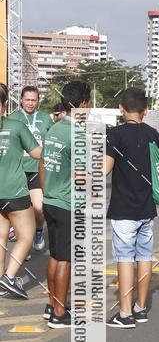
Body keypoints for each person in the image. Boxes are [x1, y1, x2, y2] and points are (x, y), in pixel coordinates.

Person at [104, 88, 159, 328]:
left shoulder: (115, 135)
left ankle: (125, 313)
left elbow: (104, 169)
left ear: (121, 108)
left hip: (123, 209)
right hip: (146, 207)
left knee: (125, 259)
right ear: (145, 110)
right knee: (145, 257)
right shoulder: (152, 133)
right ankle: (140, 308)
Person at [40, 80, 91, 326]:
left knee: (55, 255)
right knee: (66, 259)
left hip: (50, 199)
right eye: (88, 104)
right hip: (67, 203)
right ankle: (59, 314)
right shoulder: (78, 133)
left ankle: (53, 305)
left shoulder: (54, 128)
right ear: (82, 104)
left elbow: (42, 163)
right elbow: (82, 175)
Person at [0, 84, 42, 299]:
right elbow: (37, 153)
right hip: (14, 191)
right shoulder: (15, 126)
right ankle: (8, 277)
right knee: (26, 236)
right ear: (6, 104)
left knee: (1, 237)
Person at [10, 85, 53, 252]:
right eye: (27, 99)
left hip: (37, 169)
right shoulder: (13, 118)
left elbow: (52, 141)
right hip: (17, 170)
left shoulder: (45, 118)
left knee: (38, 207)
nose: (30, 103)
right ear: (21, 100)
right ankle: (23, 241)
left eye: (33, 100)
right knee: (19, 209)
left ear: (38, 101)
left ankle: (38, 232)